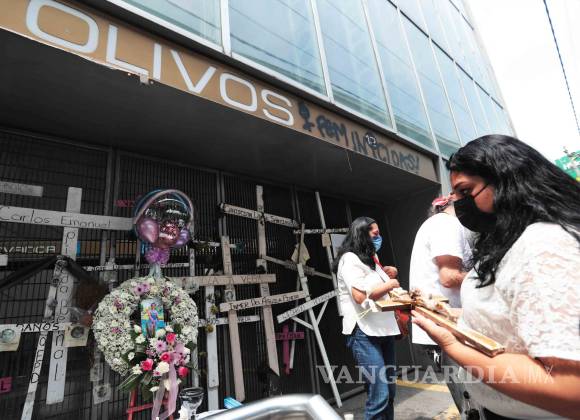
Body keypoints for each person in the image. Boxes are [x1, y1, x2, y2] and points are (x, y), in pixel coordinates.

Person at [412, 135, 580, 419]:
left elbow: (570, 388)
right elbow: (511, 313)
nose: (459, 204)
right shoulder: (505, 241)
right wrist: (451, 316)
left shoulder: (543, 244)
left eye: (465, 191)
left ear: (507, 181)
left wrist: (453, 345)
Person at [409, 196, 473, 416]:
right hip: (449, 326)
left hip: (447, 325)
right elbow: (449, 277)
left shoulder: (440, 225)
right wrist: (492, 280)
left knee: (468, 402)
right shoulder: (446, 224)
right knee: (472, 404)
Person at [333, 217, 400, 420]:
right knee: (379, 394)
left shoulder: (372, 258)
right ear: (361, 234)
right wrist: (389, 285)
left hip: (384, 329)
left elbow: (377, 286)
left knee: (389, 393)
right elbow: (360, 297)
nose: (379, 237)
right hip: (363, 332)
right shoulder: (349, 259)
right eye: (375, 234)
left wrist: (389, 274)